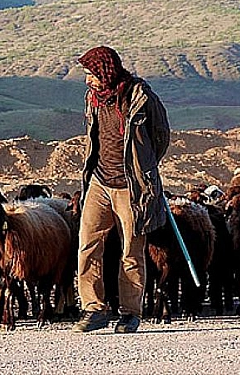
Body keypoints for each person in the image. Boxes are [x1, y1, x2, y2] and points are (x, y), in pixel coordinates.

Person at [72, 46, 170, 333]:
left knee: (131, 249)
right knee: (87, 244)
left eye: (92, 74)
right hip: (99, 182)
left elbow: (161, 135)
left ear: (106, 72)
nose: (88, 79)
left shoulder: (140, 96)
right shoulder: (93, 98)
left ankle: (130, 312)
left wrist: (144, 167)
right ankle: (94, 308)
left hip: (131, 187)